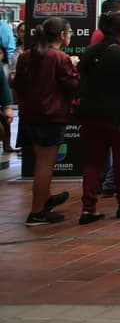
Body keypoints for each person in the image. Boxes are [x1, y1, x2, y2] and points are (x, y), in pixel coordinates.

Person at [75, 11, 120, 224]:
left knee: (93, 161)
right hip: (118, 114)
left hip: (90, 113)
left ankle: (88, 208)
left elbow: (81, 77)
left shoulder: (89, 51)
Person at [13, 18, 79, 225]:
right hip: (50, 116)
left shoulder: (26, 56)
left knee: (41, 163)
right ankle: (37, 211)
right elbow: (73, 85)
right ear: (62, 35)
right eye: (69, 33)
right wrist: (74, 65)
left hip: (30, 115)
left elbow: (18, 84)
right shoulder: (59, 58)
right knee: (45, 165)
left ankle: (44, 200)